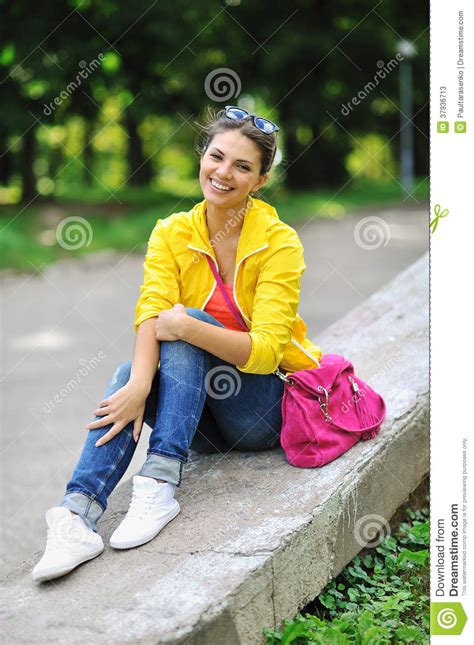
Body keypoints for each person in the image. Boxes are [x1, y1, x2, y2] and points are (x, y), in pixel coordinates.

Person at [32, 105, 323, 583]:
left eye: (242, 166)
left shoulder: (280, 242)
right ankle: (76, 516)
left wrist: (189, 328)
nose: (224, 173)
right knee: (131, 373)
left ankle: (159, 482)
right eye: (217, 156)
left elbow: (268, 351)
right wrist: (141, 384)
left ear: (261, 180)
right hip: (202, 423)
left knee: (184, 321)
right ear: (202, 157)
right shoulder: (172, 232)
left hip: (259, 412)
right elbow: (150, 312)